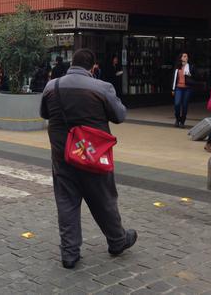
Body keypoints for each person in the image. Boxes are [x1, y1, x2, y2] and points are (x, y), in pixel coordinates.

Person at [40, 48, 137, 269]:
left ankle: (70, 254)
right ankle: (117, 240)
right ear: (93, 67)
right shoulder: (102, 87)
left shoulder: (51, 86)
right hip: (93, 155)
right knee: (104, 199)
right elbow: (120, 115)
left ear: (71, 63)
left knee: (66, 202)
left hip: (62, 155)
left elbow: (44, 114)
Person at [172, 52, 195, 127]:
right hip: (178, 88)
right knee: (177, 104)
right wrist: (173, 89)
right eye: (184, 56)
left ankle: (182, 121)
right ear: (181, 58)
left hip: (187, 88)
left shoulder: (191, 67)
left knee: (185, 105)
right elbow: (174, 78)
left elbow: (196, 77)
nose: (186, 57)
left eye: (187, 56)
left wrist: (191, 75)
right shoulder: (177, 67)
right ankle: (177, 119)